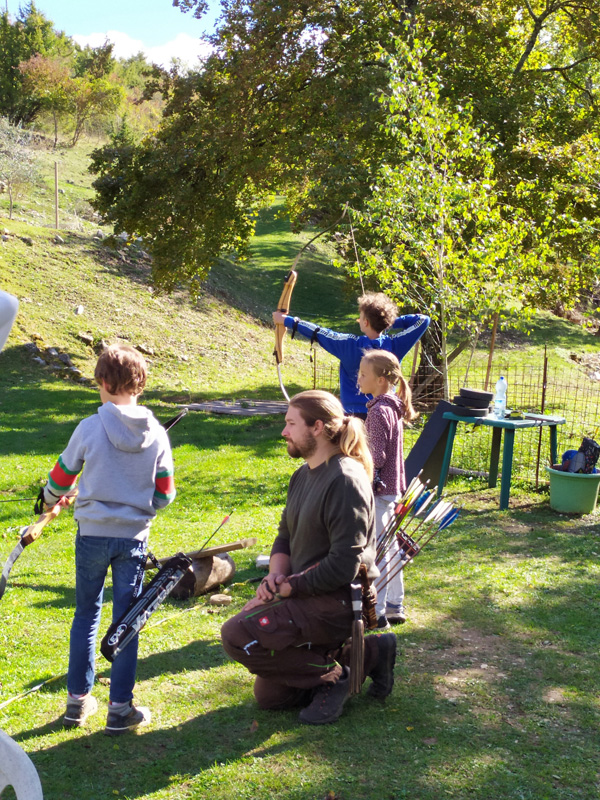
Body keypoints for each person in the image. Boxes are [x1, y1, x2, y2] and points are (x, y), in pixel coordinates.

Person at [221, 390, 397, 725]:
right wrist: (274, 576)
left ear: (317, 427)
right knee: (271, 697)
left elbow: (344, 566)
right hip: (303, 593)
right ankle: (370, 655)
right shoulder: (302, 474)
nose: (284, 431)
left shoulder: (345, 479)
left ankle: (335, 675)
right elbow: (284, 535)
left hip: (338, 602)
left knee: (236, 635)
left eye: (290, 423)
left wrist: (288, 588)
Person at [38, 344, 176, 735]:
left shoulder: (90, 426)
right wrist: (141, 504)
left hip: (92, 534)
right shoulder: (157, 434)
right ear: (141, 384)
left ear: (102, 382)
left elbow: (61, 477)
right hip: (133, 538)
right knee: (126, 621)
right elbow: (165, 494)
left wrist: (48, 499)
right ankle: (119, 708)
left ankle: (77, 703)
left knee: (86, 614)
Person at [272, 292, 429, 416]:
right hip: (386, 411)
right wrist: (386, 322)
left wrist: (287, 320)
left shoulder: (348, 345)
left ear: (366, 322)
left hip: (353, 415)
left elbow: (319, 332)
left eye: (360, 318)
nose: (358, 320)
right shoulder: (395, 345)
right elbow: (423, 320)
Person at [357, 350, 418, 629]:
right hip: (392, 489)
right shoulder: (390, 406)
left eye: (363, 374)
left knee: (379, 551)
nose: (358, 378)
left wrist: (354, 454)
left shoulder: (379, 412)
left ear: (381, 380)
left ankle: (379, 612)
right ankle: (396, 604)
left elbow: (376, 458)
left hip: (381, 490)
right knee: (390, 547)